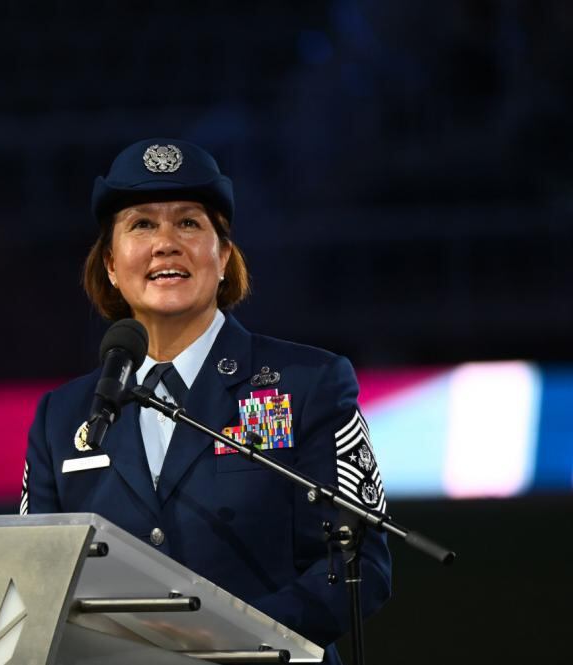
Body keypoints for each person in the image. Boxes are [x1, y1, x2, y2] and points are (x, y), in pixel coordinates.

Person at [20, 138, 391, 664]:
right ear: (109, 265)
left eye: (189, 223)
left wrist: (230, 646)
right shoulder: (61, 418)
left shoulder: (310, 383)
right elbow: (38, 579)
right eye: (141, 225)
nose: (166, 243)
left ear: (223, 258)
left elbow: (360, 564)